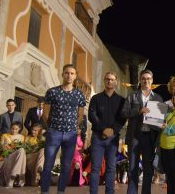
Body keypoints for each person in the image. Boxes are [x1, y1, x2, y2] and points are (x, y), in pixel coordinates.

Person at [40, 64, 86, 194]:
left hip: (70, 135)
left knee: (66, 166)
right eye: (67, 73)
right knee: (48, 165)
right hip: (54, 132)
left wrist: (73, 127)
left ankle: (61, 191)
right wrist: (52, 127)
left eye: (72, 73)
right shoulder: (52, 92)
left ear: (75, 76)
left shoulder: (79, 94)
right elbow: (46, 114)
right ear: (62, 74)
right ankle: (44, 191)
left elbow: (81, 115)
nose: (69, 75)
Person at [121, 69, 163, 194]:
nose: (146, 81)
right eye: (143, 78)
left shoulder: (158, 98)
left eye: (148, 78)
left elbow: (160, 119)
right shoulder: (132, 95)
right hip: (134, 136)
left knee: (148, 169)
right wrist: (139, 110)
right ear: (140, 80)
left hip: (150, 137)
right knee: (132, 168)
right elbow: (124, 113)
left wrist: (161, 123)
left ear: (152, 81)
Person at [88, 71, 126, 194]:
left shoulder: (121, 100)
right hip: (97, 137)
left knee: (111, 168)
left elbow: (122, 118)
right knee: (95, 168)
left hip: (113, 139)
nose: (109, 81)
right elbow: (92, 115)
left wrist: (113, 130)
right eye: (107, 79)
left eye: (112, 79)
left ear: (116, 82)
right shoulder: (96, 98)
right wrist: (103, 129)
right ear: (104, 81)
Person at [0, 122, 26, 187]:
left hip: (19, 155)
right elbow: (1, 148)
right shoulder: (5, 136)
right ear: (10, 128)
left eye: (16, 129)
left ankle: (13, 175)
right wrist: (5, 146)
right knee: (22, 153)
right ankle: (19, 178)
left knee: (22, 151)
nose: (14, 130)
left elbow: (25, 147)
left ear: (19, 129)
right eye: (12, 129)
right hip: (9, 156)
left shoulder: (22, 137)